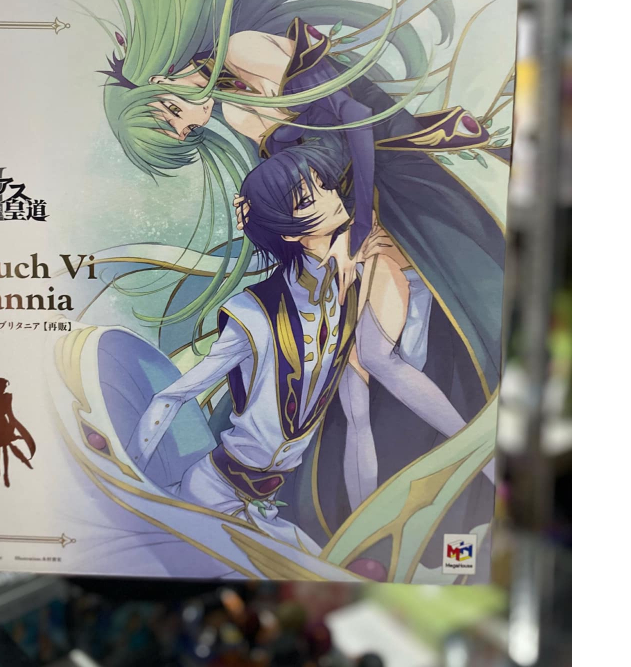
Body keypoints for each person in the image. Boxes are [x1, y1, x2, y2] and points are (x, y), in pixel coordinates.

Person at [92, 0, 507, 409]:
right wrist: (261, 208)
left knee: (399, 333)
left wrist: (358, 226)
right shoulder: (235, 111)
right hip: (349, 198)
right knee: (356, 358)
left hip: (387, 165)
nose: (192, 122)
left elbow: (353, 117)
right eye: (185, 131)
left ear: (158, 81)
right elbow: (299, 167)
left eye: (174, 113)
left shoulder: (242, 50)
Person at [126, 145, 433, 557]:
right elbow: (172, 395)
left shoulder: (351, 294)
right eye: (308, 199)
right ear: (289, 233)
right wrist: (129, 489)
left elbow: (404, 366)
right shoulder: (252, 312)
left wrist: (412, 277)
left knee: (318, 565)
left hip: (263, 507)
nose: (331, 197)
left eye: (325, 185)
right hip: (212, 493)